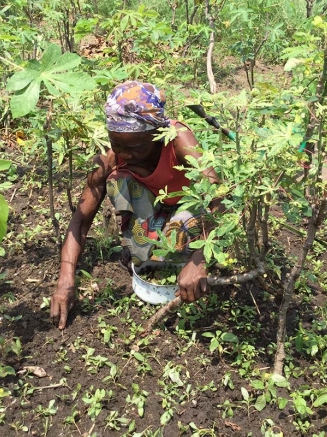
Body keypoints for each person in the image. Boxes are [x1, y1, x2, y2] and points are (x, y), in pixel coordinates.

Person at [50, 81, 222, 330]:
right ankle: (147, 248)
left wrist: (199, 258)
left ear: (156, 133)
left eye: (135, 147)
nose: (125, 154)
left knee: (177, 246)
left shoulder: (178, 139)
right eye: (117, 144)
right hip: (152, 208)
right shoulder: (109, 158)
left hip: (188, 206)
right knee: (118, 182)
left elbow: (218, 195)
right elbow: (80, 221)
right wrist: (65, 279)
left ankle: (179, 250)